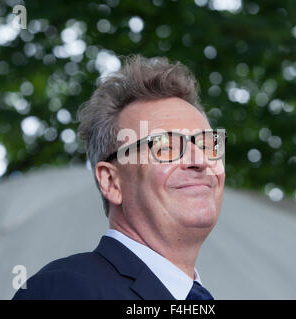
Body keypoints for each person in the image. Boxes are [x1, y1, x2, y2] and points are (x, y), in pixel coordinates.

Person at [12, 54, 226, 300]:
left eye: (207, 144)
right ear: (111, 182)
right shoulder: (64, 290)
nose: (199, 161)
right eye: (165, 146)